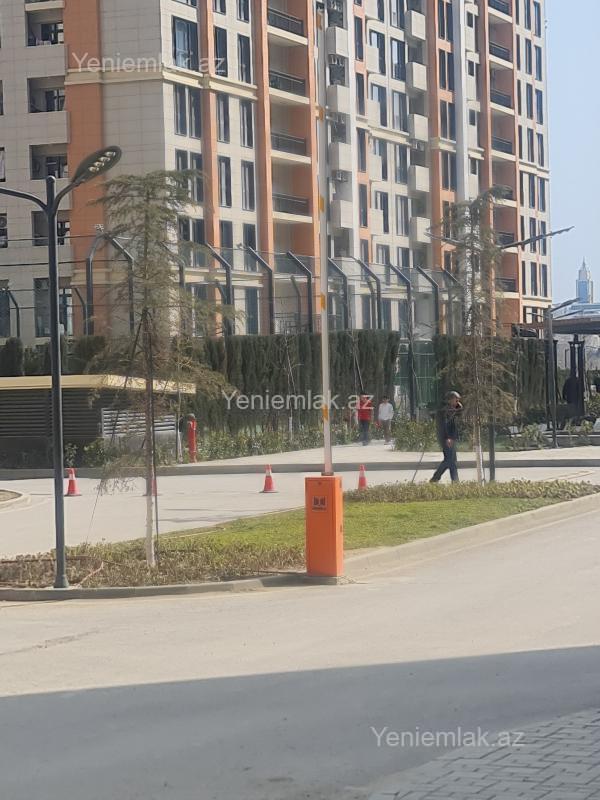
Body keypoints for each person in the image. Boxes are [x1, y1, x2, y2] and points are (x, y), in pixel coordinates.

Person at [430, 391, 463, 483]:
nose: (457, 402)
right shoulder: (444, 411)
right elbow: (444, 426)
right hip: (446, 438)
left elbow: (460, 410)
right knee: (450, 460)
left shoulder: (452, 409)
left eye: (458, 400)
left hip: (451, 437)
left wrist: (458, 406)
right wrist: (448, 437)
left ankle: (436, 478)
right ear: (450, 400)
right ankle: (454, 481)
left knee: (451, 460)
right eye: (456, 400)